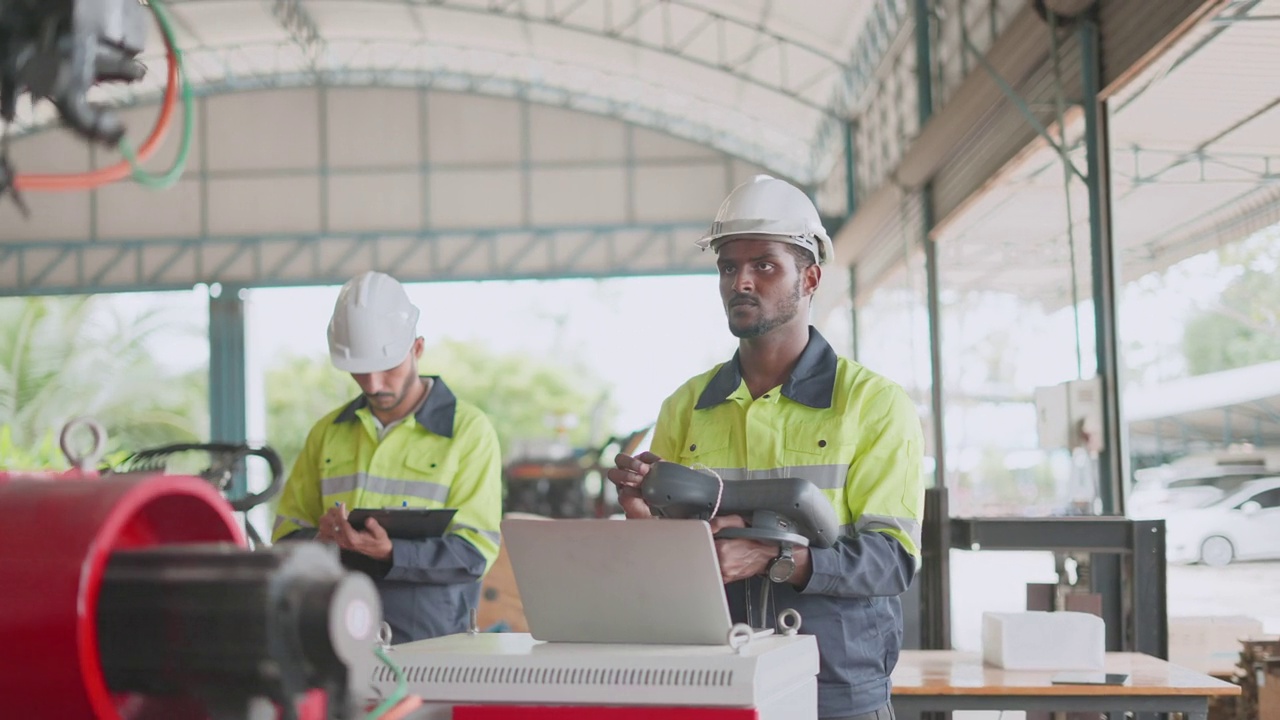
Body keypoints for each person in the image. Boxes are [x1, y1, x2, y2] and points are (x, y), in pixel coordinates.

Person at [608, 175, 925, 720]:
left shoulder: (873, 405)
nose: (742, 282)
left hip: (836, 688)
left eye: (764, 266)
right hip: (716, 679)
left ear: (811, 278)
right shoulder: (686, 406)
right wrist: (643, 519)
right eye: (729, 267)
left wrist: (774, 557)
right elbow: (674, 563)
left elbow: (890, 561)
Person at [272, 270, 503, 644]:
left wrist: (393, 551)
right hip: (335, 634)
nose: (374, 384)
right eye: (360, 372)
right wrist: (320, 540)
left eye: (387, 368)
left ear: (417, 349)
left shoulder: (468, 432)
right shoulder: (327, 432)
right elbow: (285, 538)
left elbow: (474, 553)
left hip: (430, 641)